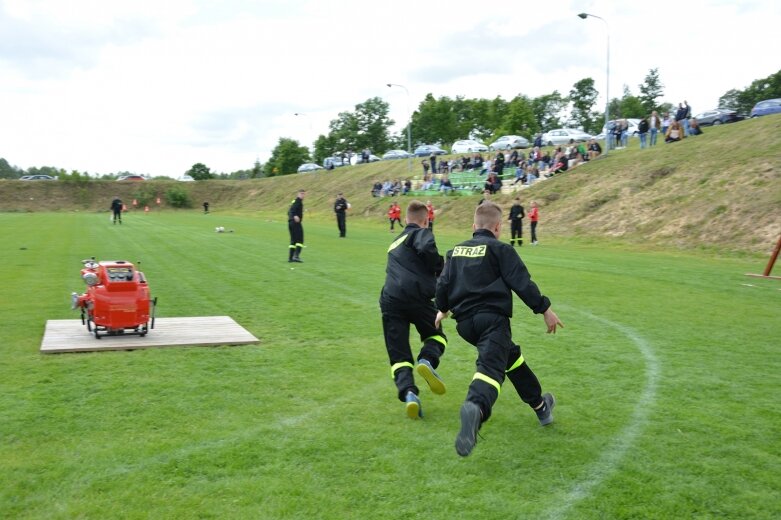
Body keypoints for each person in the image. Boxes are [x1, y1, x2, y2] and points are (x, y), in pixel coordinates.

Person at [434, 201, 563, 456]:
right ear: (498, 228)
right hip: (491, 320)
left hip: (466, 326)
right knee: (491, 369)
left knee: (511, 359)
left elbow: (443, 284)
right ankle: (476, 407)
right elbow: (522, 282)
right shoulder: (500, 249)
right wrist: (545, 309)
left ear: (474, 227)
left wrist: (442, 308)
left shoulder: (455, 252)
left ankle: (540, 405)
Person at [380, 200, 448, 419]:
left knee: (398, 354)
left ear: (405, 219)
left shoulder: (395, 241)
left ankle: (409, 393)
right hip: (417, 297)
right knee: (436, 337)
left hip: (390, 299)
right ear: (425, 221)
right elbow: (427, 248)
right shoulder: (420, 233)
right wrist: (440, 268)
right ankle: (427, 361)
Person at [287, 189, 305, 263]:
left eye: (304, 194)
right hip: (295, 223)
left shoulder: (294, 201)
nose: (303, 195)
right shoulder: (298, 201)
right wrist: (295, 216)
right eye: (301, 193)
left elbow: (289, 211)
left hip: (291, 222)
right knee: (300, 240)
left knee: (293, 240)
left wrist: (291, 216)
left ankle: (290, 258)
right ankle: (296, 256)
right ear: (298, 194)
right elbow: (292, 211)